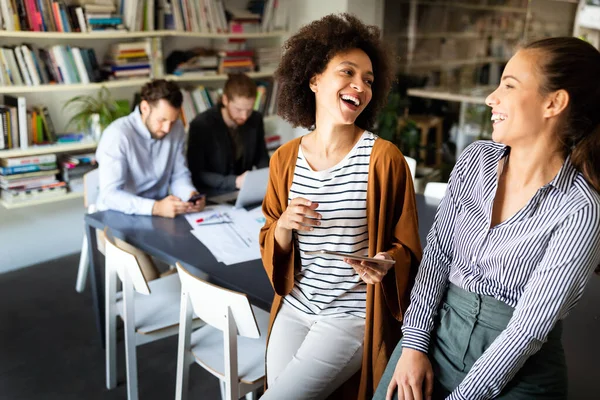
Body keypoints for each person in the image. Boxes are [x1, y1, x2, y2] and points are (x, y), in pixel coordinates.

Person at [374, 37, 600, 400]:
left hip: (518, 371)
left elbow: (526, 330)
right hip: (438, 333)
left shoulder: (580, 209)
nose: (490, 98)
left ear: (554, 102)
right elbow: (438, 256)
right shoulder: (475, 160)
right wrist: (414, 345)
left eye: (509, 85)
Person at [258, 14, 422, 400]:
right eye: (347, 72)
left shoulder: (384, 159)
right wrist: (283, 225)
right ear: (313, 79)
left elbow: (409, 248)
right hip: (295, 306)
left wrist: (386, 260)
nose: (359, 86)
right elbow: (270, 232)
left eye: (368, 79)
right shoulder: (284, 159)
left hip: (349, 316)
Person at [96, 79, 205, 280]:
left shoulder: (176, 128)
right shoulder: (117, 135)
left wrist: (190, 194)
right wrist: (155, 207)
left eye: (172, 121)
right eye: (162, 120)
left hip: (159, 217)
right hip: (117, 218)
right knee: (150, 282)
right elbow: (110, 195)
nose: (166, 128)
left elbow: (179, 174)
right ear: (144, 107)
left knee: (204, 262)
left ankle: (179, 291)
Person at [187, 73, 270, 192]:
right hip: (212, 194)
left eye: (249, 110)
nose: (244, 116)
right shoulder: (201, 124)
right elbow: (197, 173)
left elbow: (261, 158)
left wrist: (268, 178)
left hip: (243, 191)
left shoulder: (255, 119)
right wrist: (235, 182)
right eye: (239, 109)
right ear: (225, 100)